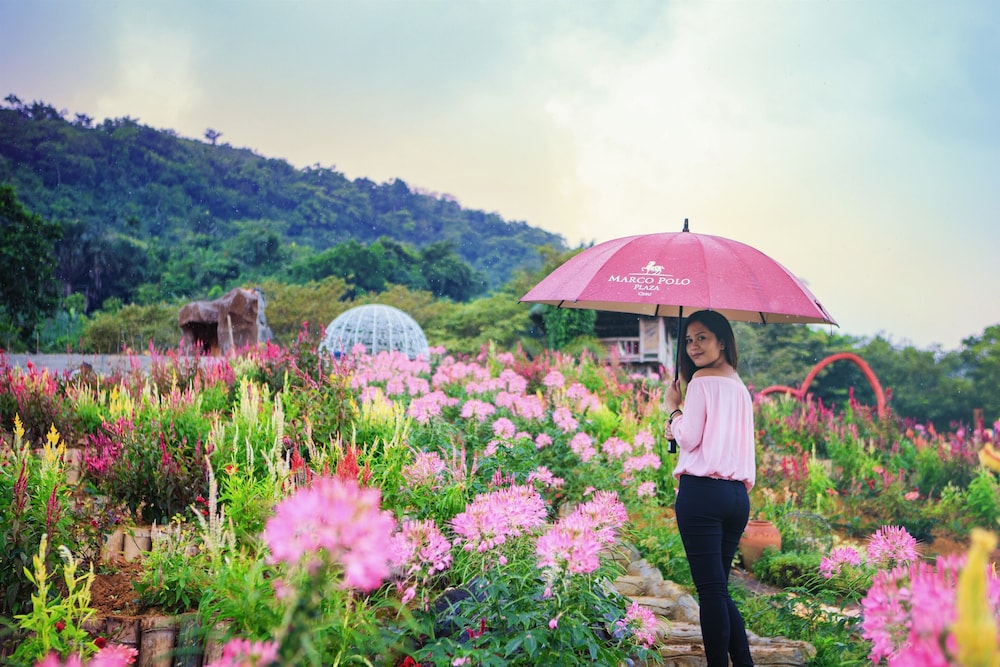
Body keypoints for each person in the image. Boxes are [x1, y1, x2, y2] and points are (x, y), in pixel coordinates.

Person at [663, 310, 755, 667]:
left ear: (722, 341)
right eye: (688, 340)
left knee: (711, 591)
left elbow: (689, 438)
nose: (693, 346)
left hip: (702, 494)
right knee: (720, 590)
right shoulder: (739, 386)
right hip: (736, 498)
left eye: (702, 337)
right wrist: (679, 423)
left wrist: (674, 411)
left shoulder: (701, 381)